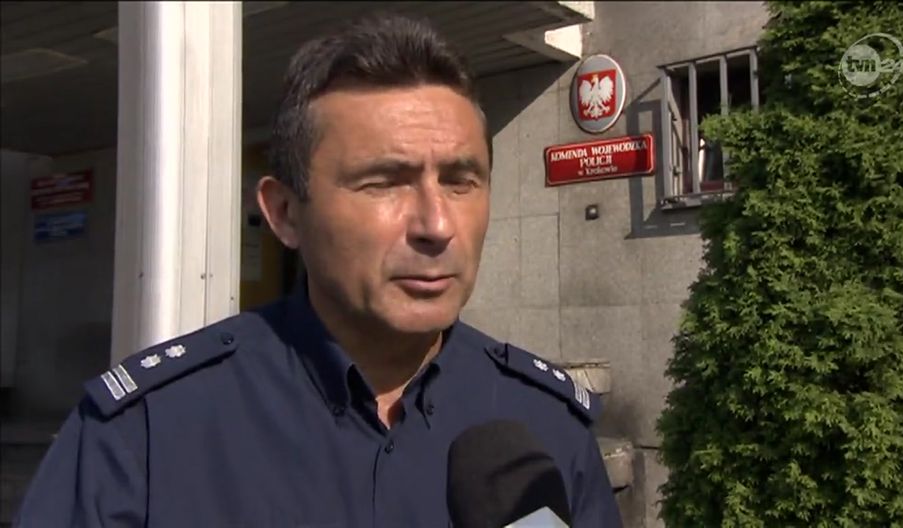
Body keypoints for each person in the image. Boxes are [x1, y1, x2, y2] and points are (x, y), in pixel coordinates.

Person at [15, 13, 622, 527]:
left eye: (461, 181)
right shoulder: (145, 435)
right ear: (285, 213)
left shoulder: (545, 428)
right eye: (384, 182)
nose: (437, 225)